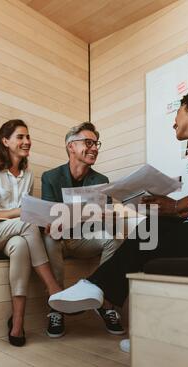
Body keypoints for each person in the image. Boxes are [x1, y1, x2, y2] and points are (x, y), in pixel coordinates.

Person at [48, 88, 188, 352]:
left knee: (153, 233)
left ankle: (102, 291)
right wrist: (178, 210)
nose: (174, 120)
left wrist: (178, 205)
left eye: (178, 110)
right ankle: (121, 307)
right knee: (154, 231)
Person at [0, 120, 62, 347]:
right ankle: (53, 288)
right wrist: (27, 212)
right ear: (5, 141)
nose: (27, 142)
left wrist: (43, 219)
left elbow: (23, 217)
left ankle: (17, 322)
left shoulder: (28, 174)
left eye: (28, 137)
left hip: (10, 234)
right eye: (20, 137)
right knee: (25, 225)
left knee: (20, 244)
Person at [41, 122, 124, 338]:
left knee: (113, 238)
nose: (94, 148)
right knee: (50, 238)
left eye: (96, 143)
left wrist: (109, 216)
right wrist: (52, 223)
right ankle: (57, 306)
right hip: (59, 240)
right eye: (88, 142)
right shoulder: (50, 177)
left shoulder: (101, 181)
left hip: (84, 239)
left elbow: (104, 224)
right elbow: (48, 216)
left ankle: (104, 302)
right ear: (71, 146)